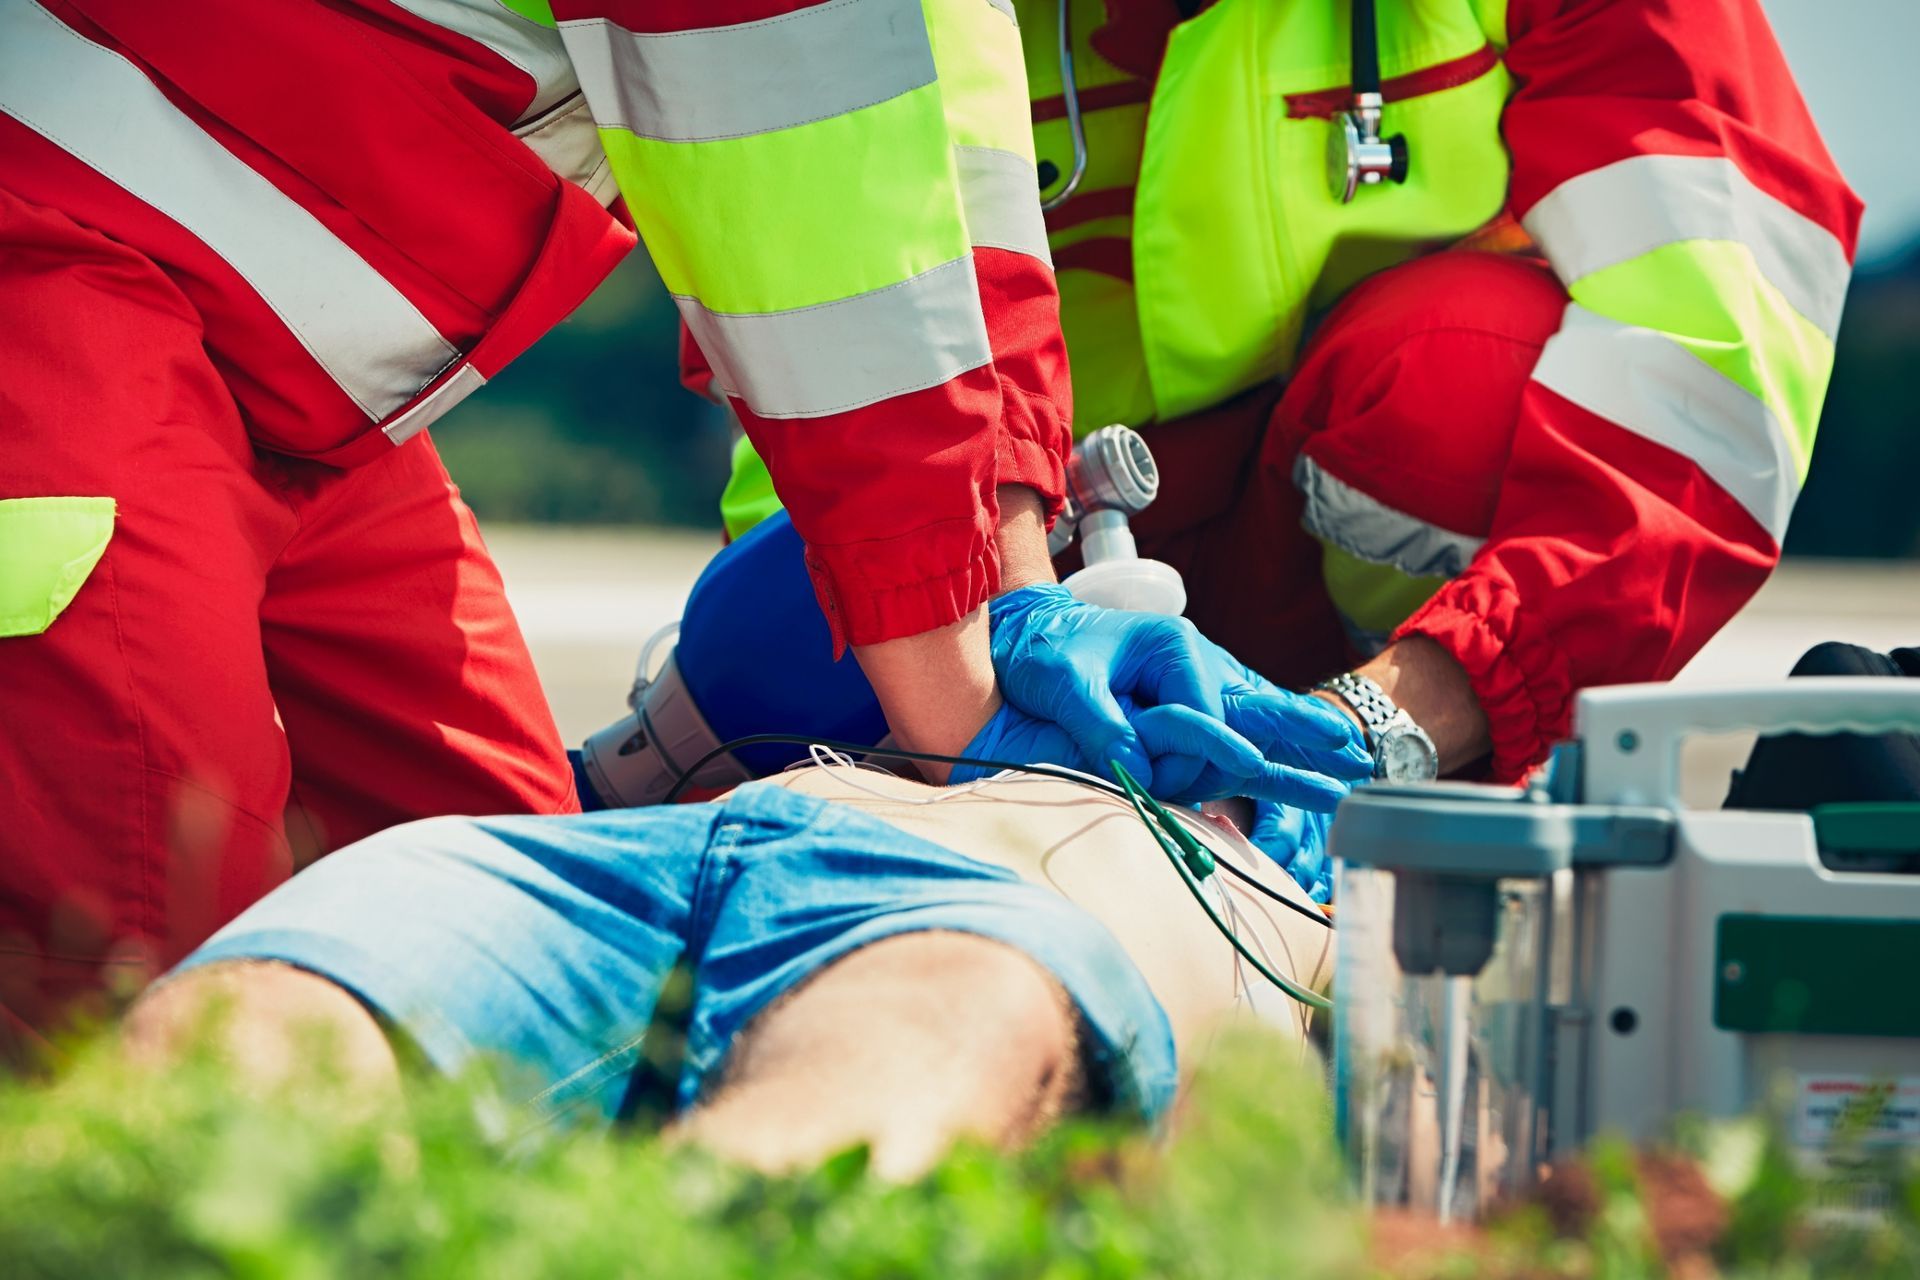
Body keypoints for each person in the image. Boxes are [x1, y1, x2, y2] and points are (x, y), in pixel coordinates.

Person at [0, 0, 1358, 1048]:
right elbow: (808, 222)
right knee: (144, 988)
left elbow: (946, 187)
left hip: (290, 388)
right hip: (53, 298)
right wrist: (979, 728)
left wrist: (1019, 595)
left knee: (525, 945)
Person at [717, 0, 1864, 790]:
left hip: (1334, 602)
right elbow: (824, 335)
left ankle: (1387, 807)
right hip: (960, 552)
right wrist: (944, 668)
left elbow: (1709, 350)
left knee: (1461, 384)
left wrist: (1394, 718)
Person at [123, 757, 1335, 1178]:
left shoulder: (1336, 878)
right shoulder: (938, 683)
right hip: (612, 858)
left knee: (839, 1138)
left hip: (994, 925)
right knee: (221, 1064)